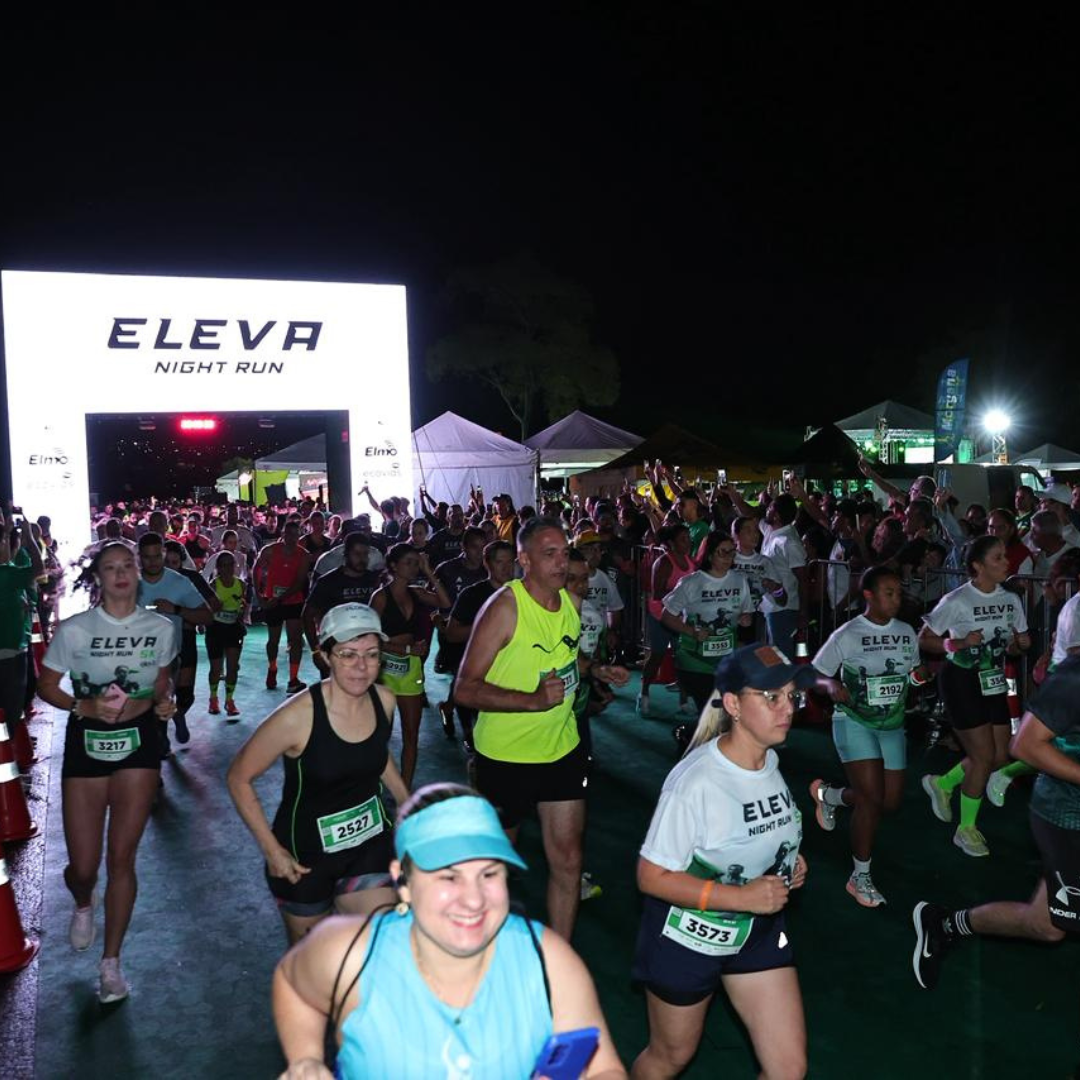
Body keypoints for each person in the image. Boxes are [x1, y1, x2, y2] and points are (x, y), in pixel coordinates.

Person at [271, 783, 626, 1079]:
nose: (474, 900)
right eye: (448, 876)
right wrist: (306, 1057)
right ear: (402, 881)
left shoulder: (548, 960)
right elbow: (292, 982)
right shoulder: (349, 953)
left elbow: (602, 1068)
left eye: (489, 874)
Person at [631, 644, 812, 1079]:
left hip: (756, 933)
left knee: (788, 1070)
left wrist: (788, 860)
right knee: (670, 1058)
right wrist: (740, 896)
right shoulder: (695, 783)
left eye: (791, 696)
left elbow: (757, 832)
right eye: (771, 697)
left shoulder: (770, 760)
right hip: (688, 938)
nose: (787, 707)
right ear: (733, 704)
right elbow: (650, 876)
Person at [455, 517, 628, 940]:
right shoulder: (505, 607)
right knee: (495, 864)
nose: (559, 562)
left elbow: (569, 660)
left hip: (561, 750)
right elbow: (464, 688)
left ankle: (559, 957)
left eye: (564, 552)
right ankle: (481, 951)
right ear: (524, 560)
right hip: (505, 756)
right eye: (548, 554)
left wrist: (596, 670)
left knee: (569, 861)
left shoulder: (570, 603)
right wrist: (531, 700)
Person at [37, 542, 177, 1003]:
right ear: (97, 576)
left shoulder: (159, 627)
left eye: (127, 566)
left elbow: (160, 678)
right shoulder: (75, 630)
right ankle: (82, 899)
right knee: (83, 866)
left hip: (139, 746)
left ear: (139, 572)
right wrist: (84, 704)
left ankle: (111, 964)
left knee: (121, 858)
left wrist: (160, 701)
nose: (120, 574)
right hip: (86, 746)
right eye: (110, 567)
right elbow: (46, 685)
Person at [227, 604, 409, 944]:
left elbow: (376, 755)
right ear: (324, 656)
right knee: (313, 964)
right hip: (304, 857)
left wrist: (407, 804)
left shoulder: (384, 700)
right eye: (347, 654)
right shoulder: (298, 716)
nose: (361, 666)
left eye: (371, 654)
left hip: (368, 844)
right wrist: (272, 851)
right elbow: (238, 777)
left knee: (385, 940)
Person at [912, 656, 1080, 995]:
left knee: (1044, 925)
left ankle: (944, 925)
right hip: (1067, 817)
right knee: (1052, 926)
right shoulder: (1075, 677)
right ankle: (944, 924)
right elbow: (1025, 745)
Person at [810, 567, 925, 906]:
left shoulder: (906, 632)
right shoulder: (848, 633)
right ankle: (859, 875)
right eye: (889, 593)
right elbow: (815, 674)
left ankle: (831, 797)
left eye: (899, 593)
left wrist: (920, 677)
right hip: (853, 720)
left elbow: (911, 677)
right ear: (869, 596)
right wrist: (831, 685)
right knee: (872, 799)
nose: (897, 599)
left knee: (888, 802)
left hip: (892, 724)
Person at [919, 535, 1031, 857]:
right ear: (977, 567)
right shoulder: (957, 600)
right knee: (983, 758)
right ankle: (966, 829)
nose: (1006, 562)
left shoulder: (1011, 600)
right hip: (961, 681)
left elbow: (1011, 644)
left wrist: (1017, 646)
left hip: (992, 679)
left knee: (999, 755)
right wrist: (959, 644)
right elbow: (925, 639)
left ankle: (944, 783)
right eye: (998, 558)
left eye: (1004, 556)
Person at [369, 543, 451, 787]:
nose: (414, 567)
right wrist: (405, 649)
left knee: (411, 736)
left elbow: (445, 603)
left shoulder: (417, 592)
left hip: (410, 671)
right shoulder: (380, 596)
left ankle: (405, 787)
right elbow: (370, 639)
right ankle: (376, 783)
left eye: (416, 562)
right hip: (383, 671)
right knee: (380, 735)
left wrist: (428, 571)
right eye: (409, 562)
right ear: (393, 566)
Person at [660, 531, 755, 713]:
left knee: (726, 713)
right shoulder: (691, 582)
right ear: (710, 554)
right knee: (711, 712)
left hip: (727, 658)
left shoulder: (740, 581)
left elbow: (747, 612)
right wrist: (692, 632)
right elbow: (667, 616)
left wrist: (746, 618)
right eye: (722, 552)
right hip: (696, 661)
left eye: (731, 552)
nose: (728, 557)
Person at [137, 533, 212, 752]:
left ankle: (177, 717)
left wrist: (177, 609)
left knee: (183, 697)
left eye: (156, 556)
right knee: (149, 710)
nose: (152, 562)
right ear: (139, 557)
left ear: (163, 553)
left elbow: (207, 616)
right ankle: (157, 751)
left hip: (173, 655)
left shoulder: (179, 582)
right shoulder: (129, 582)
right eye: (147, 557)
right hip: (139, 659)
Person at [439, 540, 516, 748]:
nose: (507, 567)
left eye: (510, 562)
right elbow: (452, 634)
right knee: (475, 737)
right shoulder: (472, 594)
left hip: (510, 669)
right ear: (487, 564)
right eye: (500, 562)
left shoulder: (523, 593)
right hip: (477, 669)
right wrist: (488, 628)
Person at [303, 533, 382, 679]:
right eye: (357, 554)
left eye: (365, 554)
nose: (362, 559)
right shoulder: (328, 581)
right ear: (346, 554)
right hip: (335, 650)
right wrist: (316, 650)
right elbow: (307, 615)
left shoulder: (374, 581)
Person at [638, 524, 696, 717]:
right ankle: (644, 693)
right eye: (683, 539)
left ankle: (684, 700)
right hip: (660, 616)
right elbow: (657, 593)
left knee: (683, 658)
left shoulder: (690, 562)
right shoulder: (662, 562)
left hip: (681, 616)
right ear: (671, 543)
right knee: (657, 656)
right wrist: (681, 594)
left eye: (688, 538)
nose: (688, 542)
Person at [253, 518, 312, 694]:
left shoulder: (304, 555)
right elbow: (256, 571)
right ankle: (272, 668)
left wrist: (276, 599)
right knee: (273, 639)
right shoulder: (270, 551)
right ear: (283, 534)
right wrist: (259, 596)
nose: (292, 538)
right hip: (272, 600)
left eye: (296, 535)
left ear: (299, 535)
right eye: (289, 534)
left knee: (295, 640)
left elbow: (299, 582)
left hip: (293, 601)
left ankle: (293, 679)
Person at [0, 508, 44, 743]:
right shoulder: (6, 574)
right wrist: (28, 535)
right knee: (10, 712)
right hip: (10, 655)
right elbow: (40, 569)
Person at [206, 550, 247, 718]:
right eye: (224, 565)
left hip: (233, 629)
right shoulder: (213, 586)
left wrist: (242, 614)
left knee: (232, 668)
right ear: (218, 568)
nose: (228, 568)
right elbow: (207, 608)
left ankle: (230, 700)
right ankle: (213, 698)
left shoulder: (242, 585)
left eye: (231, 564)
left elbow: (243, 605)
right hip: (216, 628)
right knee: (216, 669)